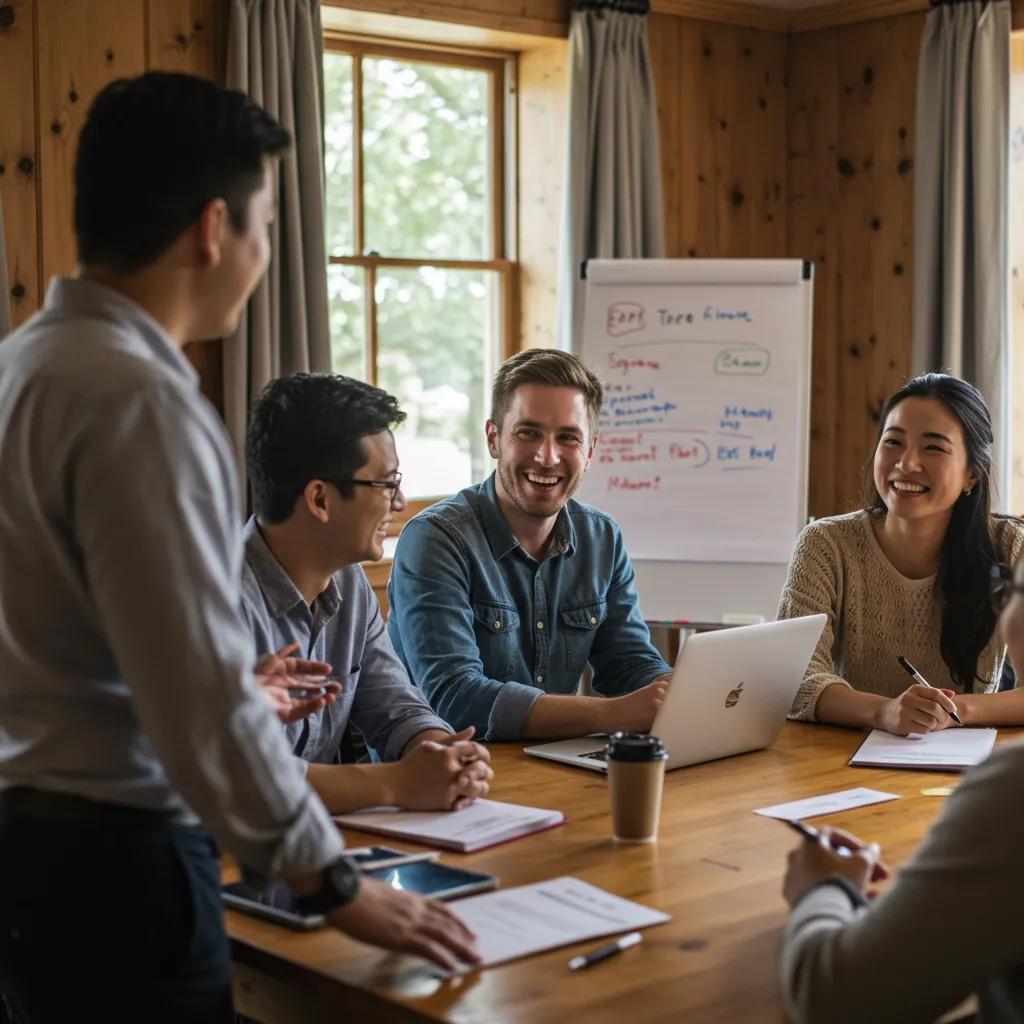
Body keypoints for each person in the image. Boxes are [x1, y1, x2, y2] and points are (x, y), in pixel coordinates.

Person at [0, 72, 476, 1024]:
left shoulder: (25, 366)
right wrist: (337, 886)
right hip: (121, 869)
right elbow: (203, 705)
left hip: (30, 849)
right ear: (214, 229)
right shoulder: (141, 401)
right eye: (265, 227)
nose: (264, 254)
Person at [779, 548, 1024, 1023]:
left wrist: (823, 887)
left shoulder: (1013, 794)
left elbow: (835, 1000)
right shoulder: (829, 544)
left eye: (1011, 591)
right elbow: (792, 677)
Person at [387, 348, 672, 741]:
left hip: (552, 769)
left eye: (568, 438)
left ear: (589, 452)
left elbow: (628, 662)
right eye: (528, 433)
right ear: (493, 439)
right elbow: (453, 697)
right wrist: (613, 713)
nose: (547, 456)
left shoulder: (601, 537)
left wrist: (677, 696)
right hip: (444, 777)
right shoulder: (435, 538)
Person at [242, 372, 493, 813]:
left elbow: (395, 705)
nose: (399, 502)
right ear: (319, 500)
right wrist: (395, 784)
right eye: (387, 483)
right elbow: (240, 777)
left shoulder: (348, 580)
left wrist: (441, 754)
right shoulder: (211, 604)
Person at [778, 373, 1024, 734]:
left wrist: (952, 709)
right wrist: (885, 712)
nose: (906, 463)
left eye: (933, 447)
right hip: (839, 757)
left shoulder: (1011, 546)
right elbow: (793, 678)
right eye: (893, 442)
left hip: (960, 761)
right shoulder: (825, 544)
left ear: (973, 473)